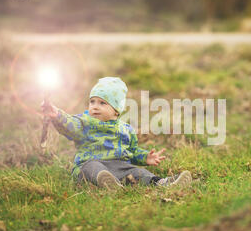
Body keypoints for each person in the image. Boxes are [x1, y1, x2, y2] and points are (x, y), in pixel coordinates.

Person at [41, 76, 192, 190]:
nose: (95, 106)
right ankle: (107, 182)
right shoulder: (84, 122)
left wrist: (145, 157)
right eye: (92, 101)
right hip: (90, 164)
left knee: (138, 172)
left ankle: (161, 182)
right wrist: (57, 115)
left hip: (119, 166)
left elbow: (131, 152)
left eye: (102, 103)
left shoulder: (126, 130)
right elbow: (69, 126)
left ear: (116, 110)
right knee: (92, 168)